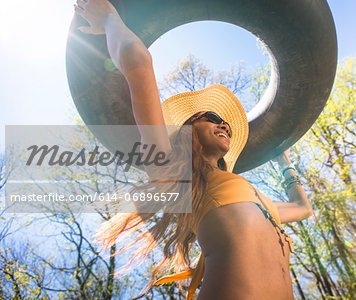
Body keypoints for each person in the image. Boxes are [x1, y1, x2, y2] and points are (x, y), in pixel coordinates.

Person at [74, 1, 313, 299]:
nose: (223, 124)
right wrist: (109, 19)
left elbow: (303, 209)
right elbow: (138, 64)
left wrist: (283, 163)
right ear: (186, 132)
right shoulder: (176, 175)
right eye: (212, 118)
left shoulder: (256, 199)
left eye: (225, 122)